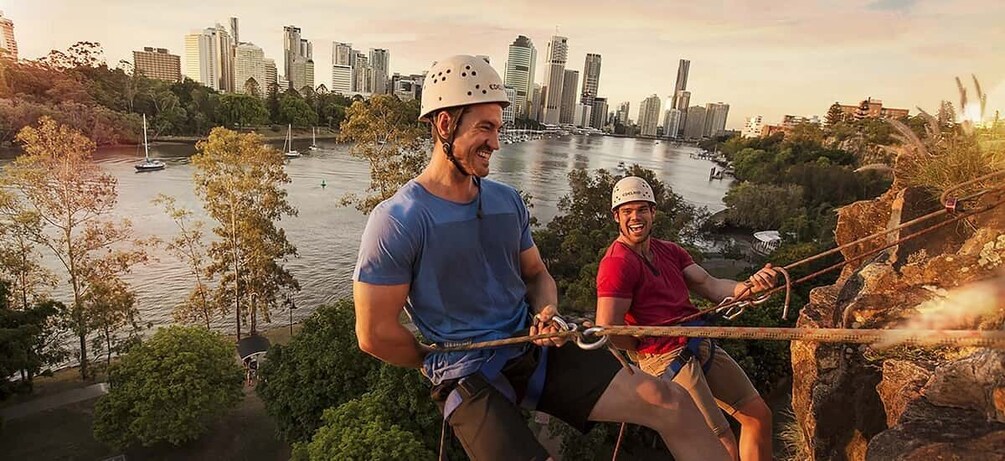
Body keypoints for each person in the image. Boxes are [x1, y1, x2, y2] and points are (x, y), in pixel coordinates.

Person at [353, 55, 728, 461]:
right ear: (445, 124)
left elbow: (536, 274)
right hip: (465, 373)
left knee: (670, 401)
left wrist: (546, 311)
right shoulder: (398, 220)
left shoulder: (506, 201)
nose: (496, 143)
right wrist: (432, 360)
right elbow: (373, 334)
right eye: (485, 128)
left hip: (533, 349)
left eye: (498, 129)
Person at [596, 176, 776, 461]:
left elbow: (710, 285)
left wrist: (749, 287)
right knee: (720, 445)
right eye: (627, 211)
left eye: (642, 209)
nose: (635, 217)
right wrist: (645, 349)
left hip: (696, 341)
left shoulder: (669, 251)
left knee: (757, 416)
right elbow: (609, 326)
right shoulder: (617, 263)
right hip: (665, 357)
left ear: (653, 212)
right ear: (616, 216)